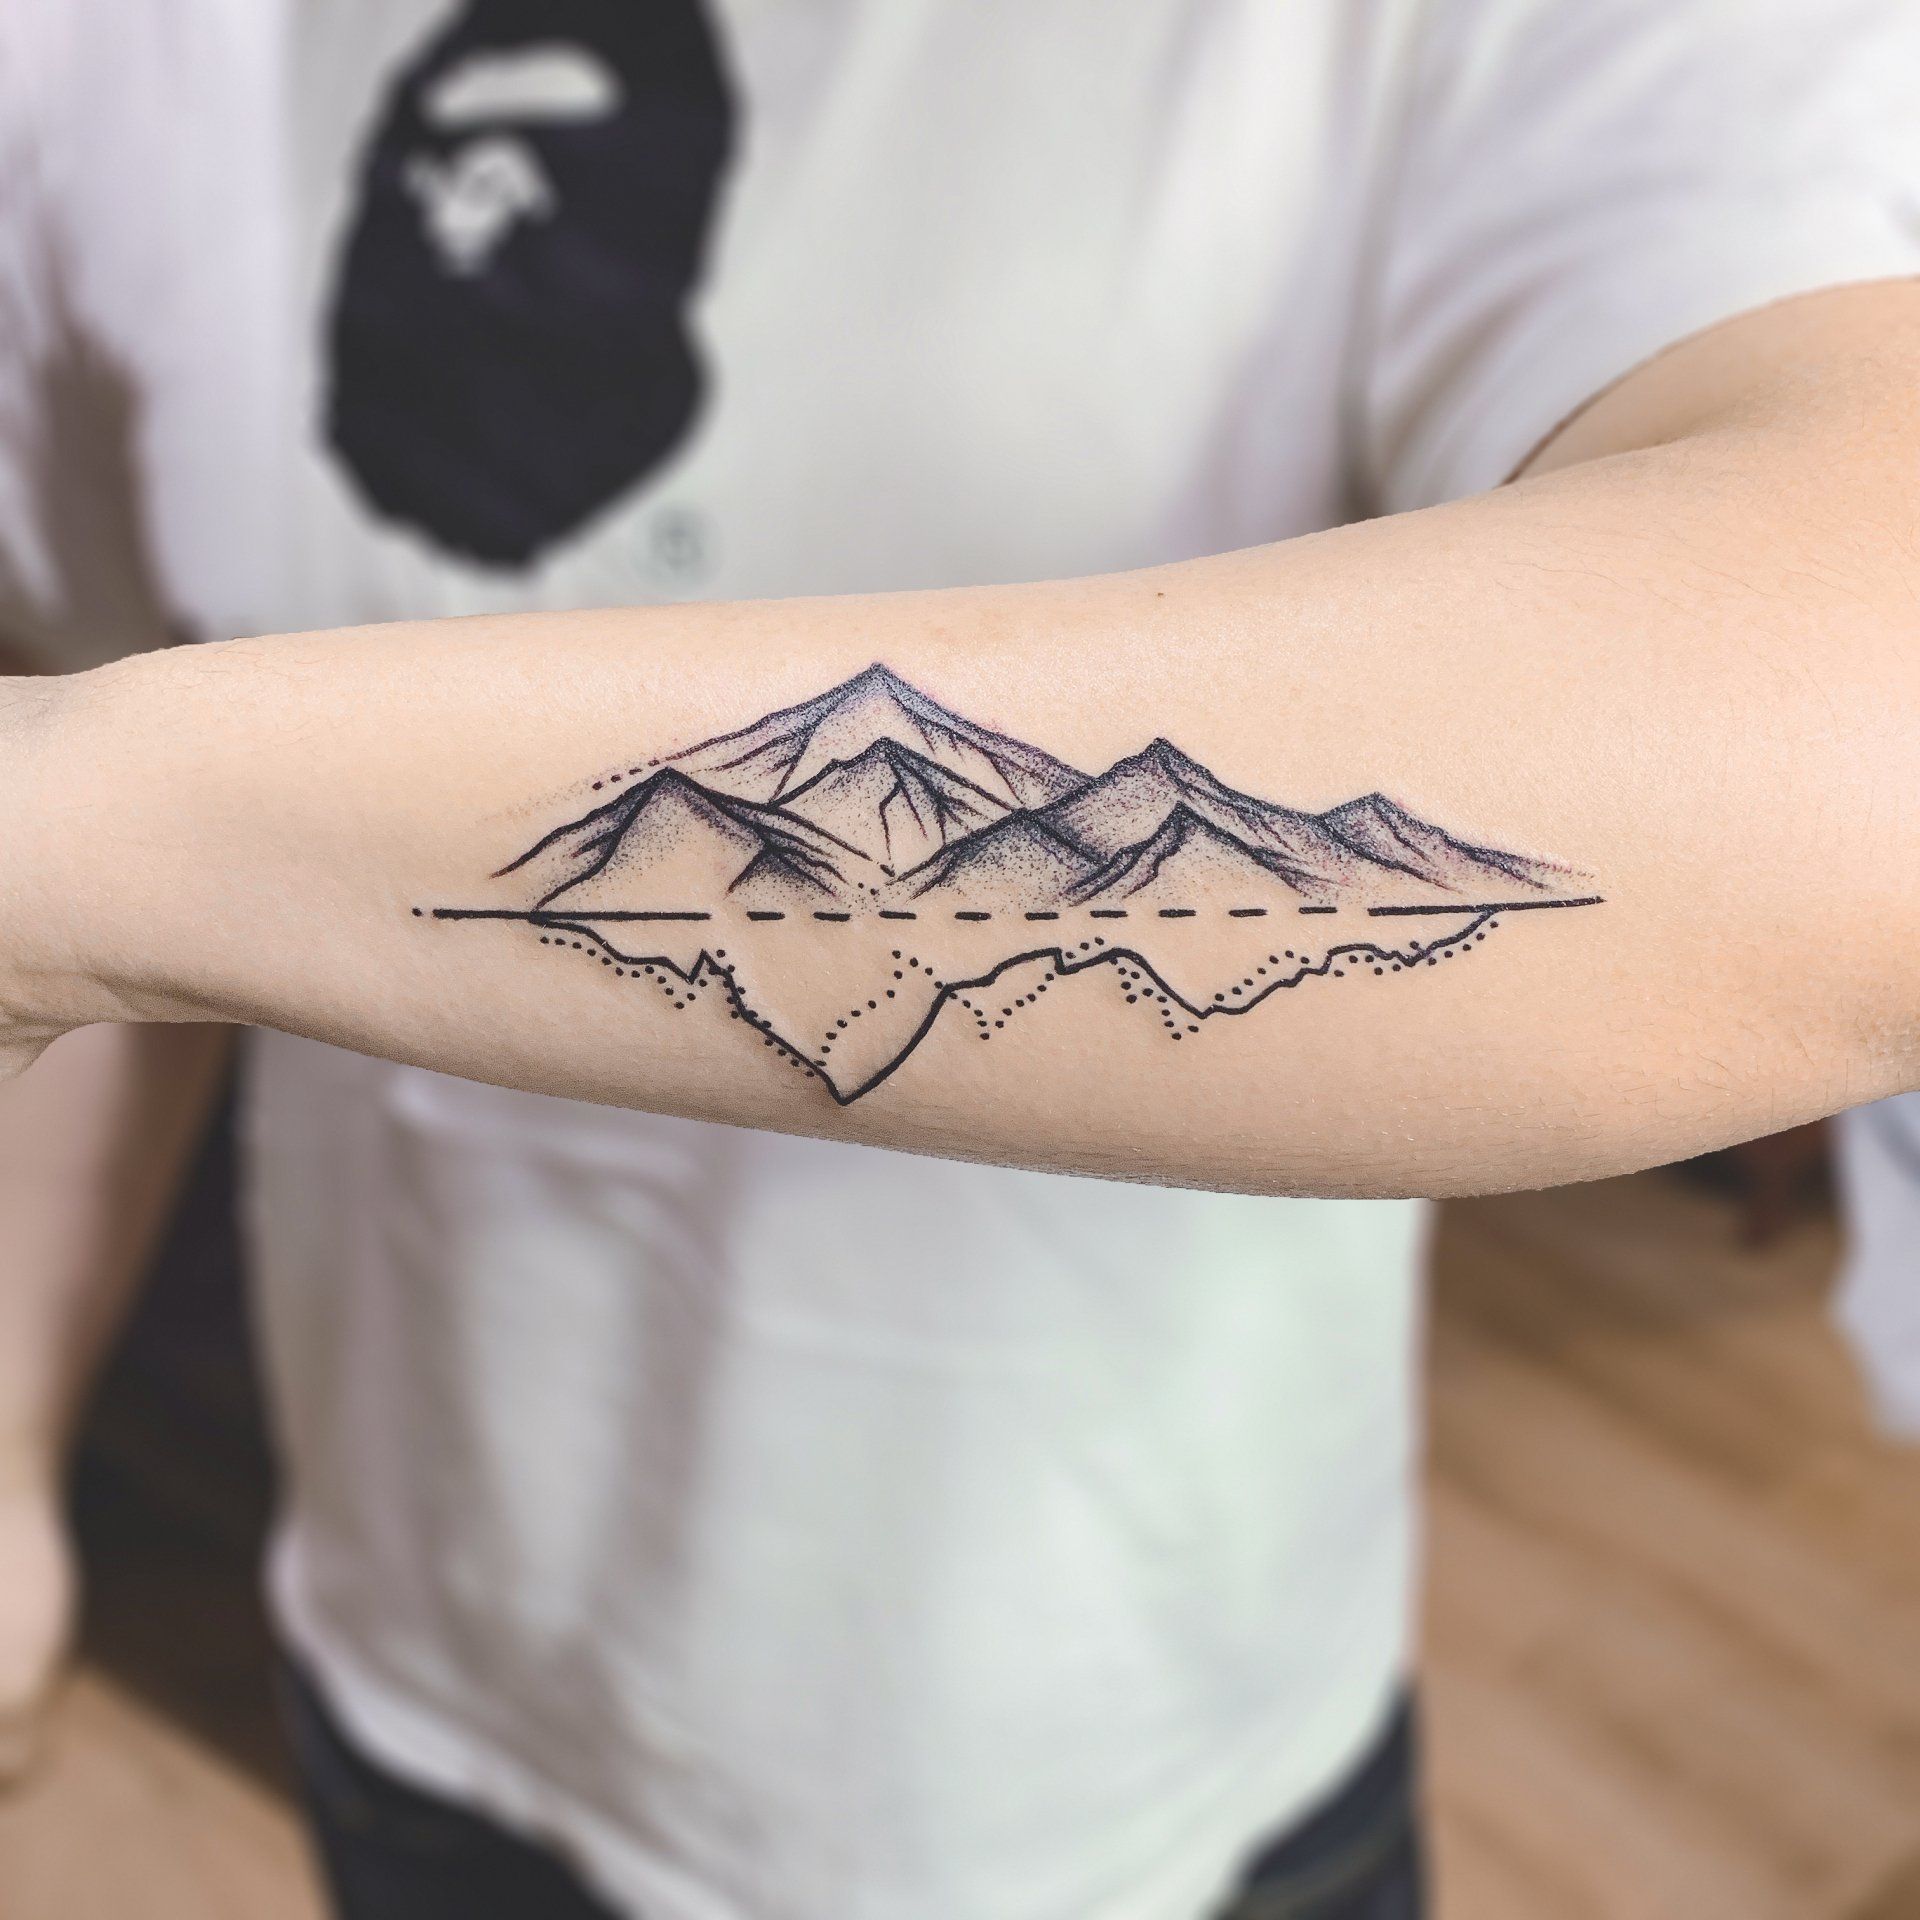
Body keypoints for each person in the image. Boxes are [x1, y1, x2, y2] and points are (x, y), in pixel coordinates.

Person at [3, 5, 1919, 1919]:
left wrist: (95, 830)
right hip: (423, 1671)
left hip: (1129, 1756)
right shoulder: (116, 53)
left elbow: (1859, 732)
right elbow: (109, 908)